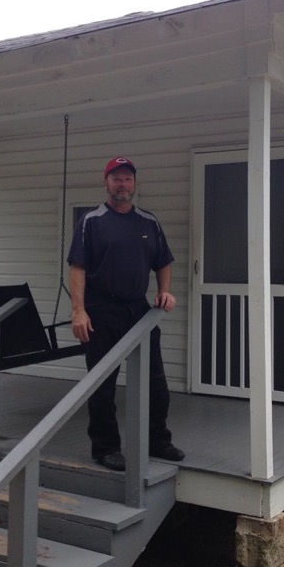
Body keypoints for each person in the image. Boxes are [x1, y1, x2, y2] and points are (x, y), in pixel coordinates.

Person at [68, 156, 185, 471]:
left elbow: (163, 262)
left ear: (134, 183)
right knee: (103, 383)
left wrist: (164, 291)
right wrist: (79, 311)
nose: (123, 184)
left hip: (138, 309)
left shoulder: (149, 222)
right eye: (117, 178)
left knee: (155, 381)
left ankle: (158, 440)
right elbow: (77, 268)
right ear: (106, 182)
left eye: (128, 179)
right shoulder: (91, 221)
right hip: (100, 310)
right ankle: (105, 449)